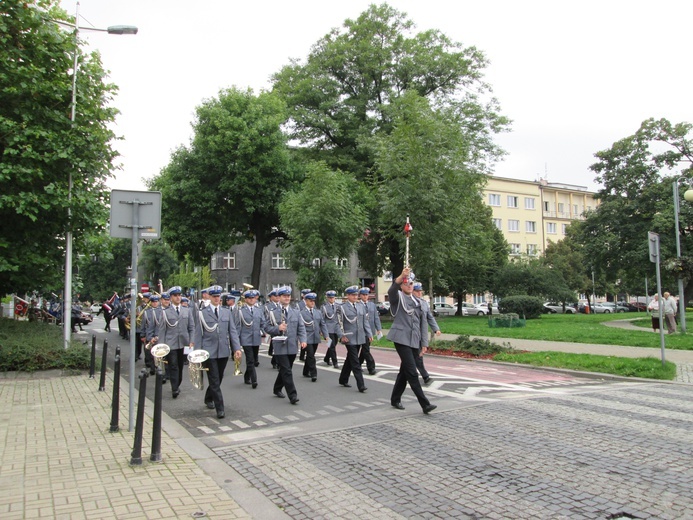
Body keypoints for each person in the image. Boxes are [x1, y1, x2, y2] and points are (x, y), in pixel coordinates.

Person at [388, 268, 436, 414]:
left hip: (414, 340)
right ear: (402, 286)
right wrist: (400, 276)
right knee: (412, 372)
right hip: (401, 339)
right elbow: (391, 291)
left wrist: (424, 343)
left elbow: (423, 324)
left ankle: (395, 399)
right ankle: (425, 404)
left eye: (411, 283)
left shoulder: (419, 302)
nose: (409, 285)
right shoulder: (398, 298)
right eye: (406, 283)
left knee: (404, 372)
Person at [194, 285, 242, 419]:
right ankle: (220, 408)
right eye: (214, 296)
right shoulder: (202, 313)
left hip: (223, 351)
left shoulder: (226, 312)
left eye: (218, 296)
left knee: (219, 377)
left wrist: (236, 348)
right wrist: (197, 354)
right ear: (209, 297)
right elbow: (198, 334)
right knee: (214, 380)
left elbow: (232, 331)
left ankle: (209, 397)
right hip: (209, 351)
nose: (216, 299)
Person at [263, 286, 306, 404]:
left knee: (286, 369)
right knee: (287, 370)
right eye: (284, 296)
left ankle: (277, 388)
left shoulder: (296, 312)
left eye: (288, 296)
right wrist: (278, 328)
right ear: (279, 297)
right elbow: (266, 327)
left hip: (292, 345)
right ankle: (293, 395)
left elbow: (301, 328)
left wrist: (303, 340)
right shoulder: (273, 312)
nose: (287, 298)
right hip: (279, 345)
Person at [153, 286, 195, 399]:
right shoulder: (165, 312)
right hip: (170, 343)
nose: (178, 297)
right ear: (171, 298)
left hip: (184, 343)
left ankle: (177, 383)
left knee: (180, 366)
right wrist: (161, 346)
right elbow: (162, 330)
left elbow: (191, 327)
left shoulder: (187, 310)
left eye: (179, 295)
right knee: (173, 366)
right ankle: (174, 388)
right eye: (175, 296)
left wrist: (192, 340)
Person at [336, 285, 371, 393]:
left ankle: (343, 379)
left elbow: (365, 321)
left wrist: (369, 334)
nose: (355, 297)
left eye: (356, 295)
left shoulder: (361, 306)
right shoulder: (342, 307)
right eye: (353, 295)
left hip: (360, 336)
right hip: (349, 337)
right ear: (348, 296)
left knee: (349, 359)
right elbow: (338, 323)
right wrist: (341, 335)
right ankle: (361, 384)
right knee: (355, 361)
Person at [411, 282, 441, 385]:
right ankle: (425, 376)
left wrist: (436, 329)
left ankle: (409, 375)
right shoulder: (409, 302)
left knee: (414, 357)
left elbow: (429, 317)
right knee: (416, 356)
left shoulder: (423, 303)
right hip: (410, 334)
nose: (419, 293)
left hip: (420, 335)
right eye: (417, 291)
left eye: (420, 291)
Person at [235, 289, 264, 389]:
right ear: (246, 300)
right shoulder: (241, 311)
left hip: (256, 338)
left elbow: (263, 324)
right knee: (250, 359)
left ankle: (247, 376)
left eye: (253, 298)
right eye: (249, 298)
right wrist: (237, 343)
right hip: (246, 339)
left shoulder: (259, 310)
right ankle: (254, 380)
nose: (252, 300)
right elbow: (237, 327)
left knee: (253, 359)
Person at [300, 292, 329, 382]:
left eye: (313, 301)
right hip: (307, 337)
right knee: (311, 355)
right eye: (310, 301)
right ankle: (314, 374)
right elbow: (300, 327)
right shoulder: (301, 313)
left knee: (310, 355)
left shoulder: (318, 312)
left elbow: (322, 324)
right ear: (306, 301)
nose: (312, 302)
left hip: (315, 337)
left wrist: (326, 336)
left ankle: (305, 371)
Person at [357, 287, 381, 375]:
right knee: (366, 349)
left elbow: (376, 317)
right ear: (360, 296)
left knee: (365, 350)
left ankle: (358, 364)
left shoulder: (372, 305)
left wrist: (378, 329)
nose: (365, 296)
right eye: (363, 295)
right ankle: (371, 367)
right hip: (360, 331)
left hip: (369, 330)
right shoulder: (358, 305)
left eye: (366, 295)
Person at [142, 294, 162, 375]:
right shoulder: (147, 312)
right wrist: (143, 335)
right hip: (149, 335)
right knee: (150, 353)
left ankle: (158, 368)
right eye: (153, 302)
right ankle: (152, 368)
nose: (154, 303)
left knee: (158, 353)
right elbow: (143, 324)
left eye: (156, 302)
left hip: (159, 334)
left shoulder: (161, 311)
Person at [321, 290, 340, 368]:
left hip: (336, 328)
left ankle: (326, 358)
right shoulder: (324, 307)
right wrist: (322, 330)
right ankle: (335, 362)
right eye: (330, 298)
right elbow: (322, 319)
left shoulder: (337, 306)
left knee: (334, 344)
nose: (332, 299)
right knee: (332, 345)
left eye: (333, 297)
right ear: (327, 298)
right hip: (328, 329)